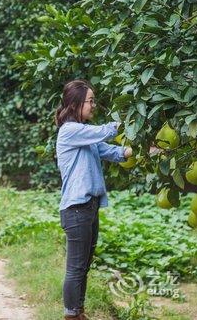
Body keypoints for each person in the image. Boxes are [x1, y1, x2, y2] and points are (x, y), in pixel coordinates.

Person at [55, 79, 133, 320]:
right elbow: (105, 131)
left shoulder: (85, 138)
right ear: (76, 103)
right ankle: (71, 314)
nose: (93, 105)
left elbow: (117, 153)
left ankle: (78, 312)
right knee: (76, 268)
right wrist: (130, 120)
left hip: (89, 208)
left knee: (84, 266)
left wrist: (150, 148)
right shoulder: (70, 131)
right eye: (90, 101)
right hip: (76, 209)